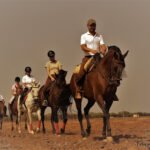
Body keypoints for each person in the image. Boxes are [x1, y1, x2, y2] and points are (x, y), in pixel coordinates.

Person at [74, 18, 107, 99]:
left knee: (107, 69)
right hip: (88, 57)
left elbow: (102, 45)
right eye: (91, 25)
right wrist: (92, 50)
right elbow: (83, 47)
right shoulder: (84, 36)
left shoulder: (99, 36)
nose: (93, 27)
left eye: (94, 25)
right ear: (87, 26)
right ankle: (78, 89)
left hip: (98, 57)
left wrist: (103, 49)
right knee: (82, 70)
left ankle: (111, 90)